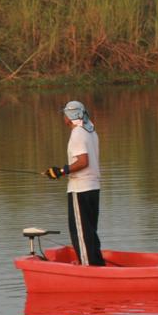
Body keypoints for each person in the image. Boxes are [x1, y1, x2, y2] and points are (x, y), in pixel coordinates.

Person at [44, 100, 105, 266]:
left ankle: (88, 268)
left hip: (80, 189)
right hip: (93, 188)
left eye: (64, 114)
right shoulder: (91, 131)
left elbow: (83, 161)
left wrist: (61, 171)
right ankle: (96, 263)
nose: (63, 118)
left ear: (69, 117)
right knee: (90, 231)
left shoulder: (77, 133)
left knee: (80, 232)